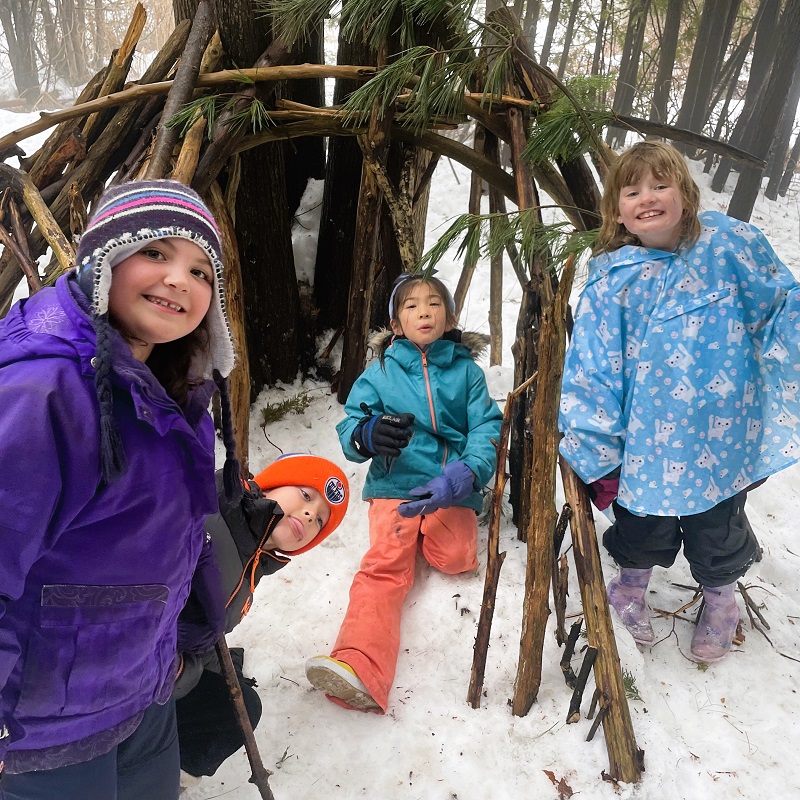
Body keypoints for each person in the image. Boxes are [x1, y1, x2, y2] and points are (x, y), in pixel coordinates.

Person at [0, 180, 238, 800]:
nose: (180, 279)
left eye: (200, 269)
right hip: (40, 722)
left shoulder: (174, 388)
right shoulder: (42, 394)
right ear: (102, 258)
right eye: (155, 253)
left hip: (137, 691)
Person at [558, 141, 800, 663]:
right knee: (642, 522)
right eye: (632, 190)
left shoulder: (730, 246)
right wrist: (596, 444)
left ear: (686, 195)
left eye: (660, 184)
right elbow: (593, 366)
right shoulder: (612, 279)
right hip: (647, 442)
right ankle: (630, 588)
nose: (647, 197)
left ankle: (720, 601)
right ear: (616, 209)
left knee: (719, 527)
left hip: (722, 434)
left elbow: (778, 304)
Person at [305, 273, 503, 713]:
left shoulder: (467, 373)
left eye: (434, 303)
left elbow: (487, 427)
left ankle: (448, 521)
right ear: (396, 324)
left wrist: (465, 475)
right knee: (385, 566)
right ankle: (358, 667)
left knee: (455, 558)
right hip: (396, 484)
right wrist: (367, 434)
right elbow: (349, 425)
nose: (424, 312)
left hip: (451, 484)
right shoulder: (379, 373)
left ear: (449, 318)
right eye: (411, 306)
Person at [173, 454, 349, 782]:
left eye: (321, 522)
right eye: (306, 495)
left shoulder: (251, 555)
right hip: (129, 680)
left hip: (165, 675)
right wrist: (187, 671)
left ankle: (171, 775)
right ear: (272, 484)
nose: (310, 515)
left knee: (241, 707)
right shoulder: (211, 516)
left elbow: (203, 629)